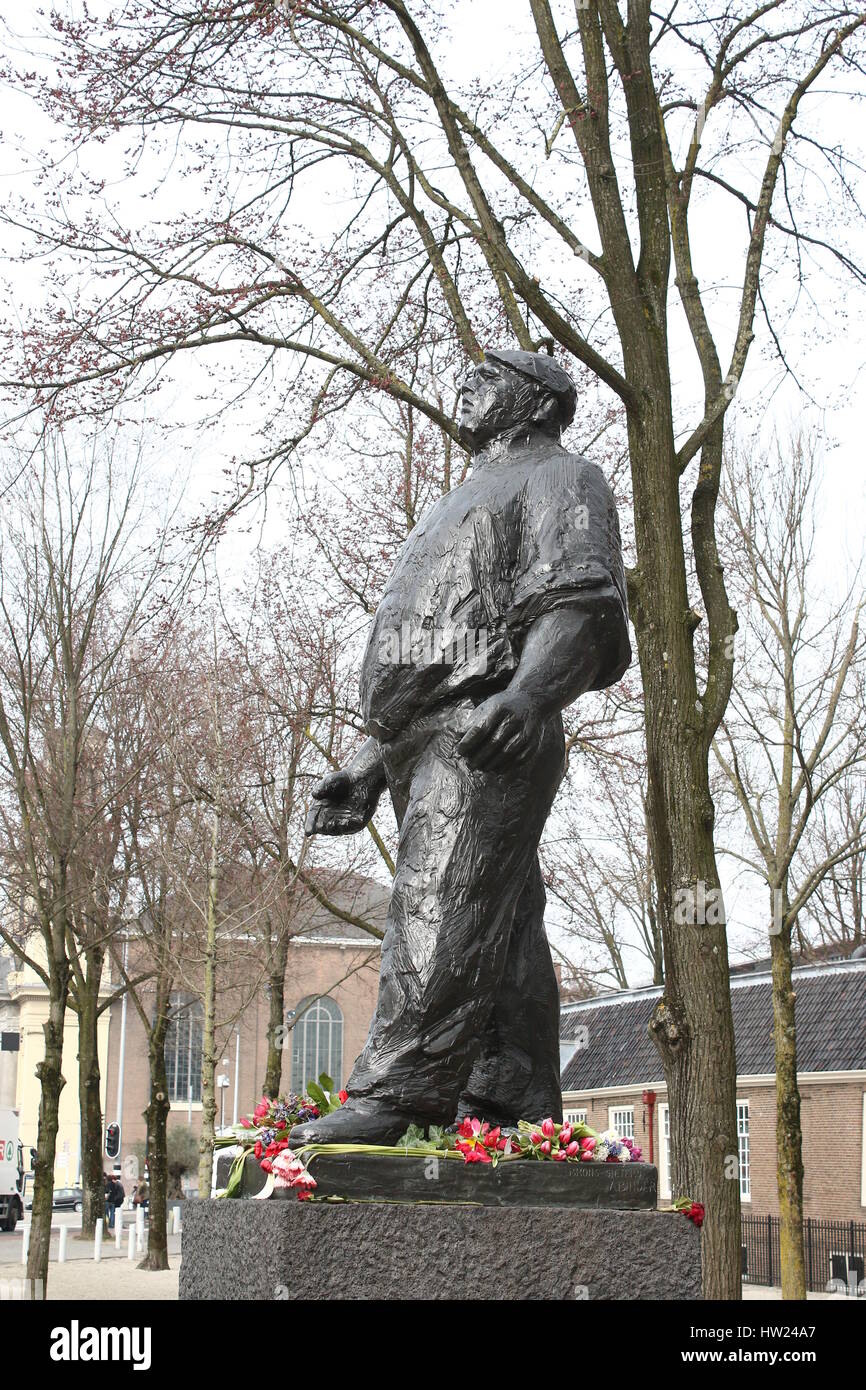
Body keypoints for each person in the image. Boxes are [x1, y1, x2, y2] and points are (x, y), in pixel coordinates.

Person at [291, 348, 630, 1147]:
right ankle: (513, 1098)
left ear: (542, 403)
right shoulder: (462, 496)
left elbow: (581, 601)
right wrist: (374, 762)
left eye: (493, 375)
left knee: (443, 895)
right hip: (428, 736)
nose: (467, 384)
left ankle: (398, 1092)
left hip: (486, 727)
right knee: (499, 916)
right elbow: (445, 639)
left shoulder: (563, 478)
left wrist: (529, 695)